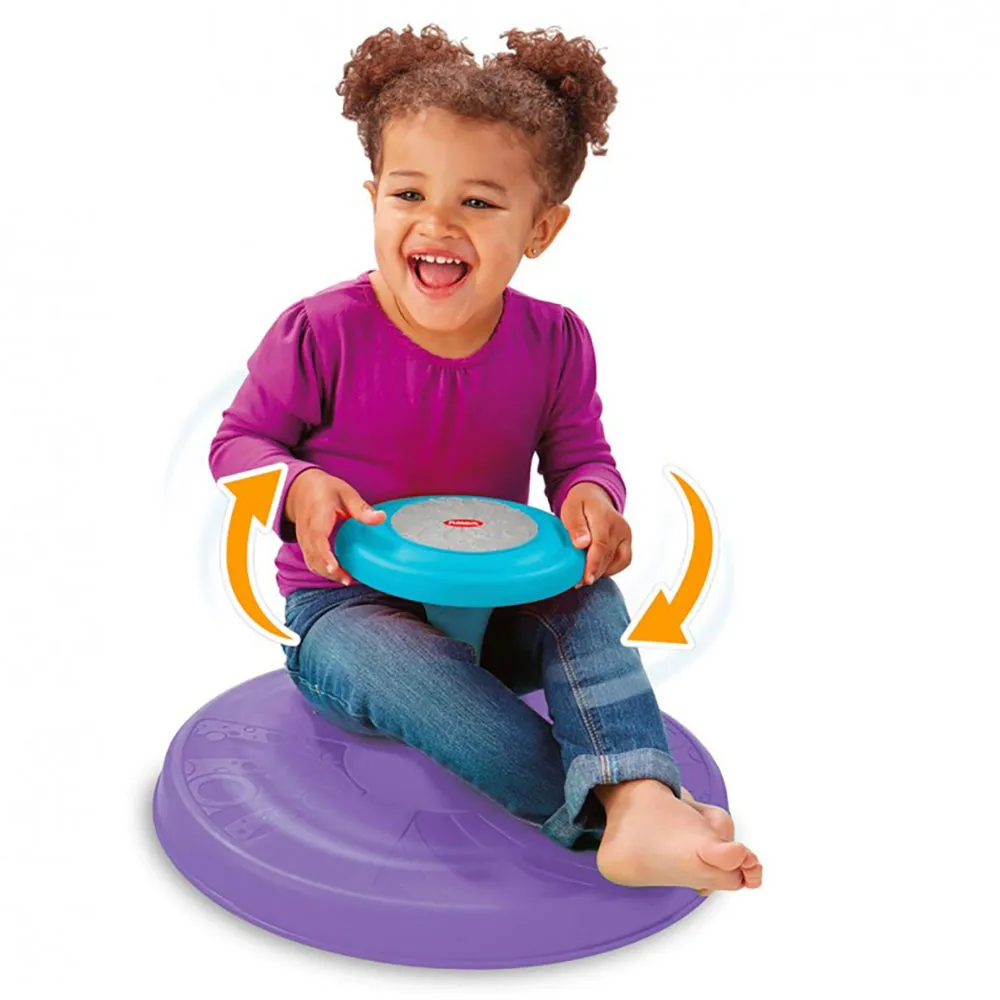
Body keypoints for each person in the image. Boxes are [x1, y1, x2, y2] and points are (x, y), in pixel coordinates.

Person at [208, 24, 762, 893]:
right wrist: (299, 484)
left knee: (588, 598)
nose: (436, 222)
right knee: (405, 665)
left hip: (500, 605)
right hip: (346, 613)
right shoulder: (321, 331)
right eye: (408, 193)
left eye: (477, 202)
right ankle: (619, 809)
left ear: (542, 228)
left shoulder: (556, 341)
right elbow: (238, 443)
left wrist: (593, 497)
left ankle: (637, 795)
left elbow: (580, 452)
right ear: (373, 198)